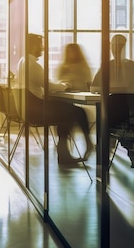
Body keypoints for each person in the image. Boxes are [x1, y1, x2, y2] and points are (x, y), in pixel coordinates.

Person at [18, 34, 94, 164]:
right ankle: (85, 145)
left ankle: (64, 155)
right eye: (40, 45)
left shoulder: (23, 62)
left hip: (31, 107)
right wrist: (65, 85)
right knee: (78, 112)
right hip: (36, 109)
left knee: (65, 114)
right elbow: (48, 86)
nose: (42, 48)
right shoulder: (33, 65)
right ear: (34, 46)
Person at [91, 34, 134, 173]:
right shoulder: (107, 66)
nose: (115, 49)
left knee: (117, 122)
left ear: (125, 47)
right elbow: (94, 87)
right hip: (121, 114)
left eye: (119, 46)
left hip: (129, 114)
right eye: (113, 46)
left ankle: (107, 159)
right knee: (117, 117)